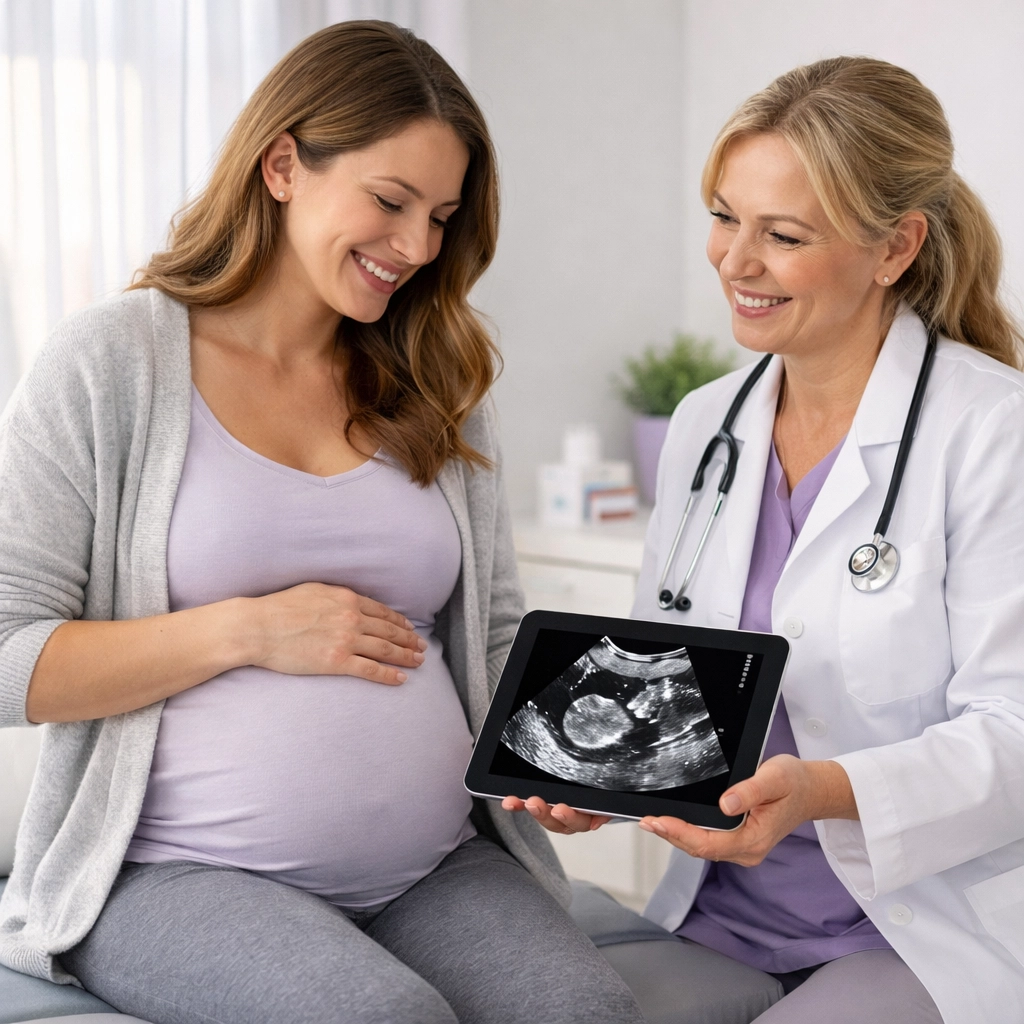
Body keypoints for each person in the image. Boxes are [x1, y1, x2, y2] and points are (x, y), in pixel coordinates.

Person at [0, 21, 643, 1024]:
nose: (418, 247)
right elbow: (6, 657)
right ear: (283, 164)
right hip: (175, 873)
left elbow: (495, 633)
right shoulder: (108, 364)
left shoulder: (438, 379)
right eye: (389, 202)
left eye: (440, 217)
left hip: (433, 866)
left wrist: (558, 757)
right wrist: (247, 628)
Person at [505, 57, 1024, 1024]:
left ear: (895, 247)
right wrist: (606, 777)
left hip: (918, 922)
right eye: (723, 214)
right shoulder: (710, 424)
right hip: (720, 912)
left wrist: (822, 789)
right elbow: (670, 669)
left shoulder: (993, 432)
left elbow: (1016, 730)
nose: (733, 260)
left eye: (782, 235)